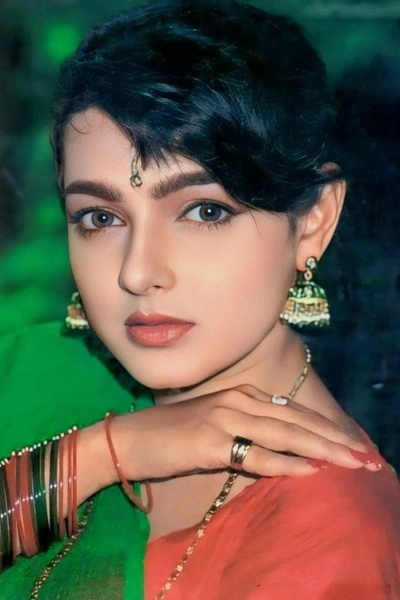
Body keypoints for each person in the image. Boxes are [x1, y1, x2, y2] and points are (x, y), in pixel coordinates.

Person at [0, 1, 399, 598]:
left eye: (205, 211)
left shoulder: (330, 532)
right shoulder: (31, 377)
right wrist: (108, 452)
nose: (138, 272)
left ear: (314, 221)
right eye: (100, 217)